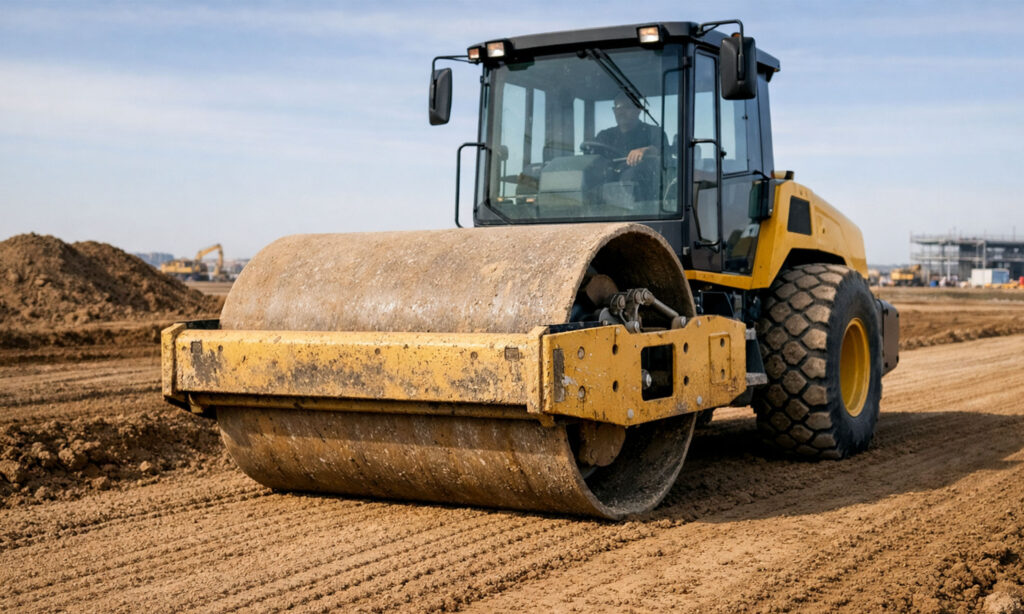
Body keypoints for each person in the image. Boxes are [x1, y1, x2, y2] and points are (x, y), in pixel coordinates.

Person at [593, 92, 667, 202]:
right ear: (614, 111)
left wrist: (646, 150)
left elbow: (663, 154)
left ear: (638, 110)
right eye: (618, 108)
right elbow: (592, 161)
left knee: (633, 174)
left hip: (647, 201)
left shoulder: (654, 132)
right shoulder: (604, 136)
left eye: (627, 107)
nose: (621, 112)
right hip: (605, 195)